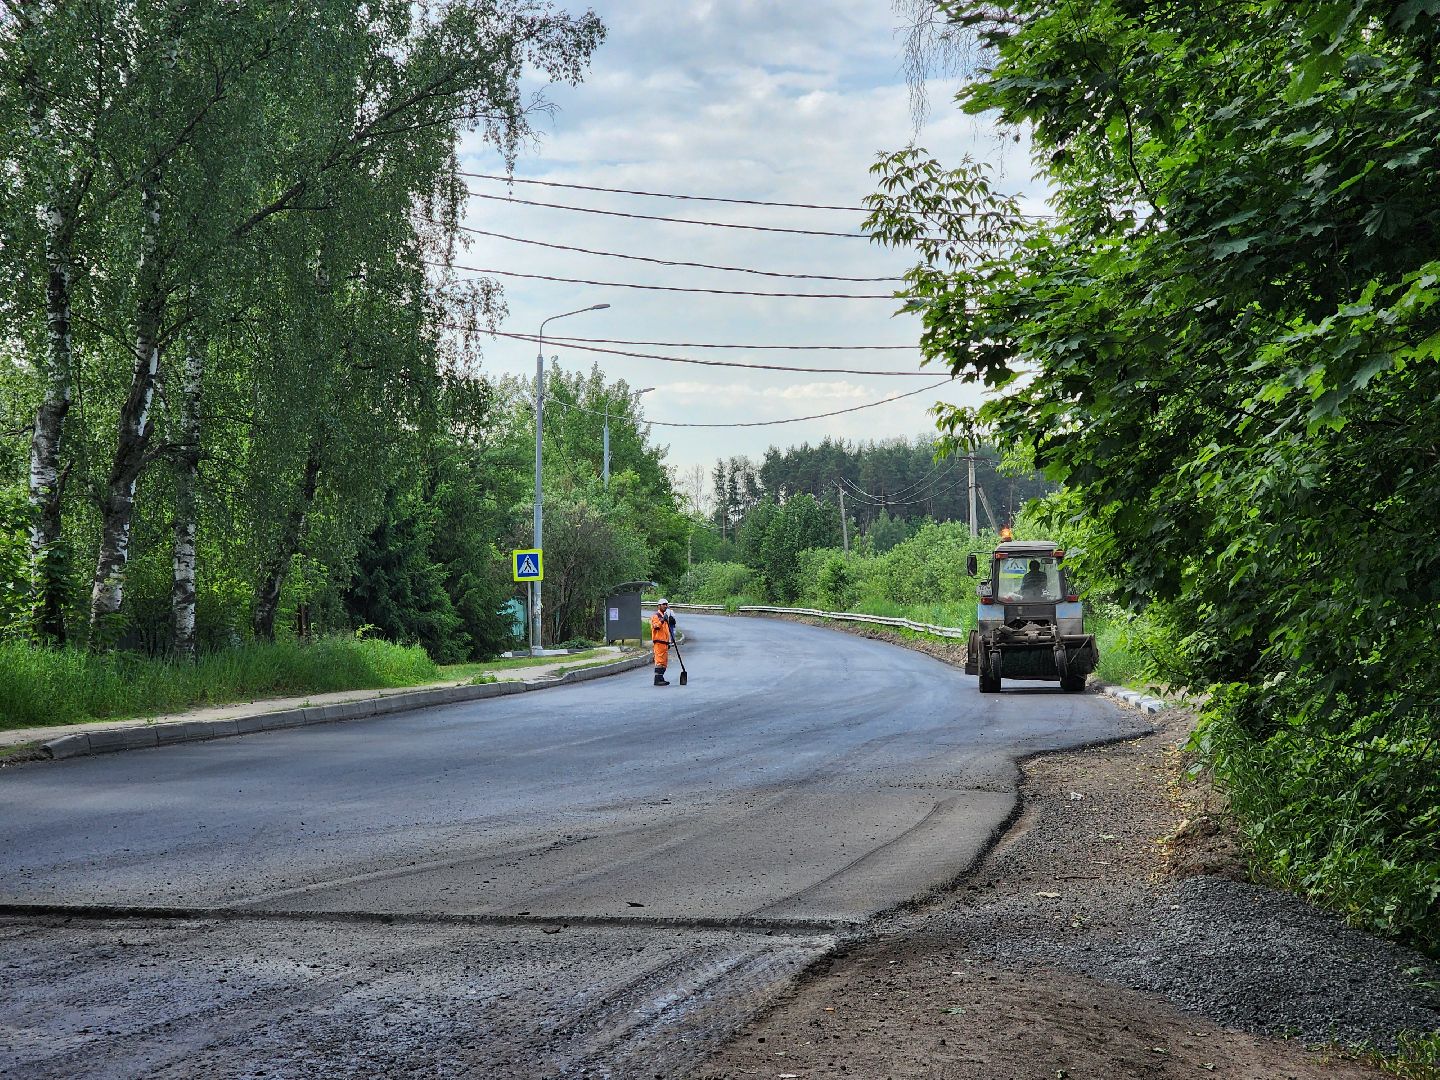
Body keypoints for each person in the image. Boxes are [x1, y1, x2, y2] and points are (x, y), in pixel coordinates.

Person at [650, 599, 676, 686]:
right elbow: (656, 626)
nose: (665, 606)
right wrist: (662, 620)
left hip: (664, 642)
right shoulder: (656, 616)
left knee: (664, 662)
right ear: (659, 606)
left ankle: (661, 678)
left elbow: (666, 630)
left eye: (666, 604)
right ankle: (657, 680)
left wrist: (668, 642)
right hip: (659, 642)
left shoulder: (665, 616)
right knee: (660, 661)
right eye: (663, 604)